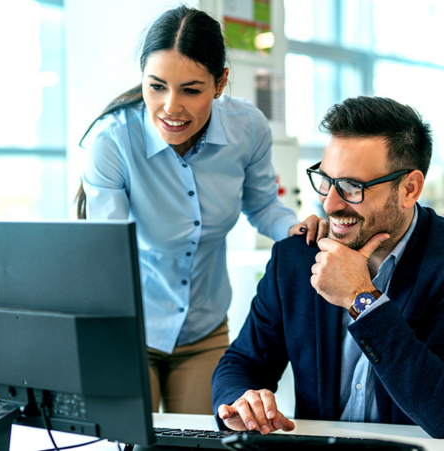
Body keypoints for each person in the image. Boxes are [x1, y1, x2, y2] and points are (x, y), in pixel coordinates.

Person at [75, 6, 326, 415]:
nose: (170, 107)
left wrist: (300, 230)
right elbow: (108, 253)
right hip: (129, 326)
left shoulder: (248, 127)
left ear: (220, 82)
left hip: (205, 329)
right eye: (156, 86)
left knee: (201, 442)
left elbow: (263, 206)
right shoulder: (114, 140)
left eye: (191, 90)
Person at [211, 96, 444, 438]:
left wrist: (360, 297)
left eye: (353, 187)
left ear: (409, 189)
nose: (329, 203)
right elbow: (241, 363)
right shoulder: (296, 256)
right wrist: (241, 401)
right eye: (325, 180)